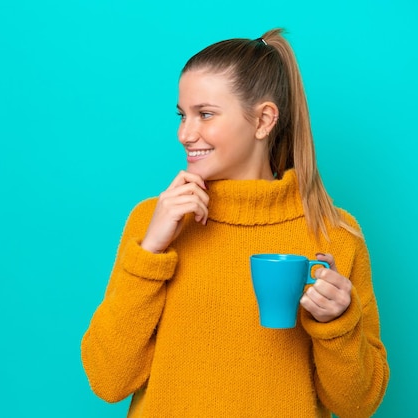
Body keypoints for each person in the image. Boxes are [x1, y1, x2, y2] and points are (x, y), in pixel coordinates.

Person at [81, 28, 389, 417]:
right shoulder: (153, 221)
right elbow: (108, 380)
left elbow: (357, 405)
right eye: (182, 115)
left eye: (205, 114)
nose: (184, 134)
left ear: (263, 120)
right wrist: (150, 252)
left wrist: (338, 324)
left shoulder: (335, 235)